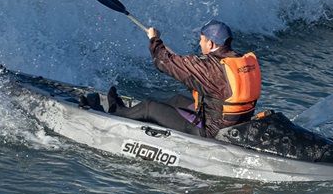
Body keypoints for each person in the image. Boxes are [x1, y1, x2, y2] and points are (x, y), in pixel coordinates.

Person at [103, 20, 261, 137]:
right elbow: (214, 89)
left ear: (211, 44)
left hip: (210, 132)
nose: (200, 43)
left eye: (202, 40)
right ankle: (141, 117)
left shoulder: (209, 68)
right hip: (233, 127)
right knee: (177, 100)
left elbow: (163, 62)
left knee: (148, 107)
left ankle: (115, 113)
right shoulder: (240, 62)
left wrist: (154, 39)